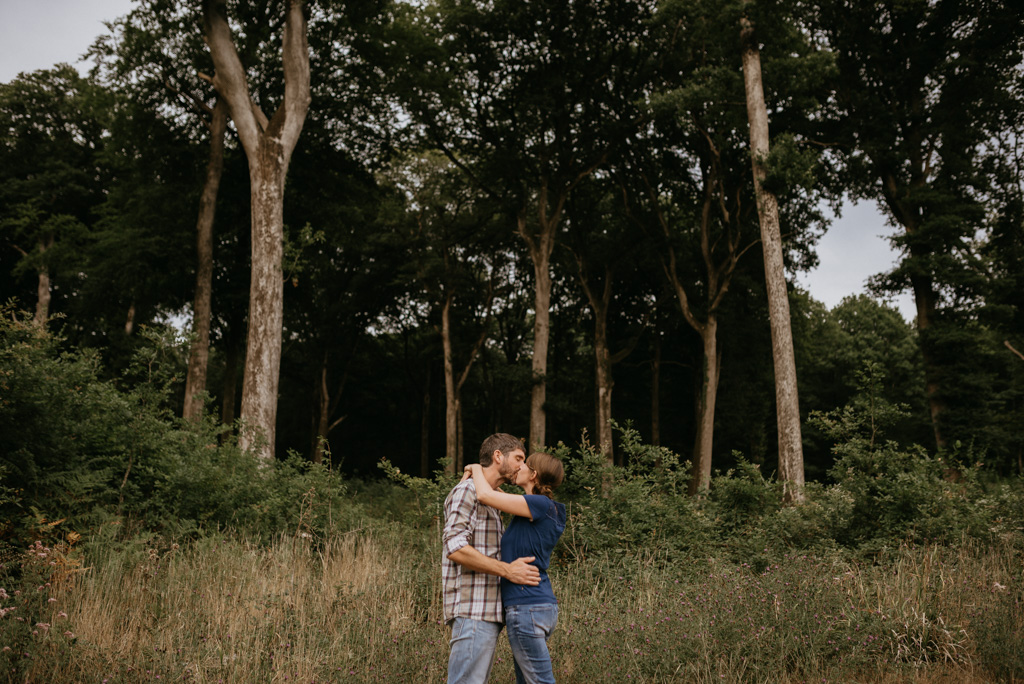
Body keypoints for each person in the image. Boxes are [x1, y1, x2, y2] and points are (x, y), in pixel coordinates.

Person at [443, 433, 541, 684]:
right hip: (473, 610)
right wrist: (507, 571)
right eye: (519, 458)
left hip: (487, 611)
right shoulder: (467, 490)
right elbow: (455, 547)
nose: (523, 466)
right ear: (498, 456)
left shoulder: (492, 497)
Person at [464, 451, 566, 684]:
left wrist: (476, 468)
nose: (518, 467)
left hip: (526, 606)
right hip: (537, 605)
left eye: (524, 464)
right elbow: (497, 494)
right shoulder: (541, 508)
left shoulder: (538, 505)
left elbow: (485, 495)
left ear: (534, 474)